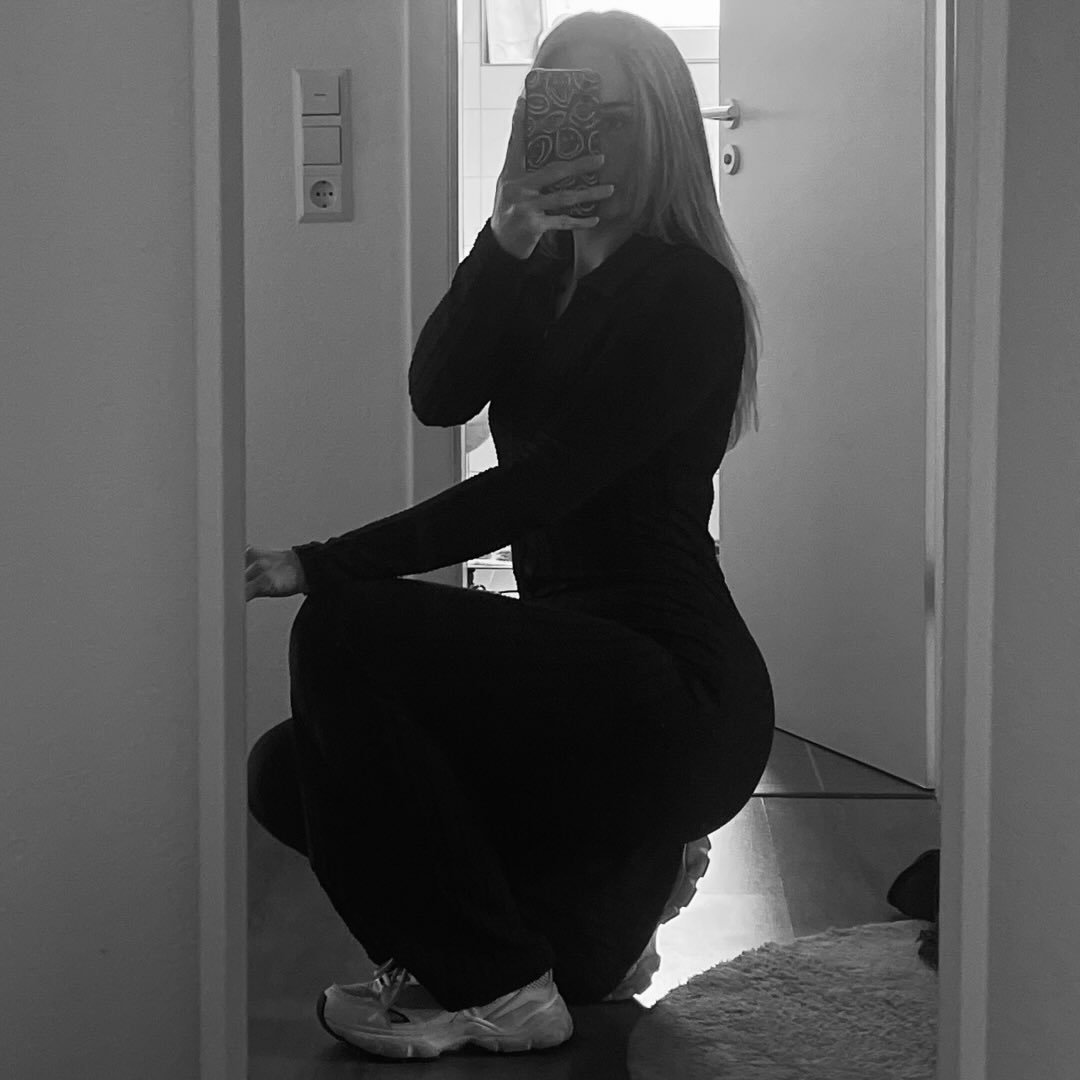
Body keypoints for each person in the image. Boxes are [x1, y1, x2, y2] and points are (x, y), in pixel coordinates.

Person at [244, 9, 775, 1062]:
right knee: (285, 770)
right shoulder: (537, 276)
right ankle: (577, 916)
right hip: (571, 673)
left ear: (663, 128)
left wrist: (323, 562)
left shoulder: (687, 292)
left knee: (344, 629)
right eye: (554, 107)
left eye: (608, 116)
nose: (581, 137)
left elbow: (539, 488)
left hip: (672, 690)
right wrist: (503, 241)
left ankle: (495, 982)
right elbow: (437, 395)